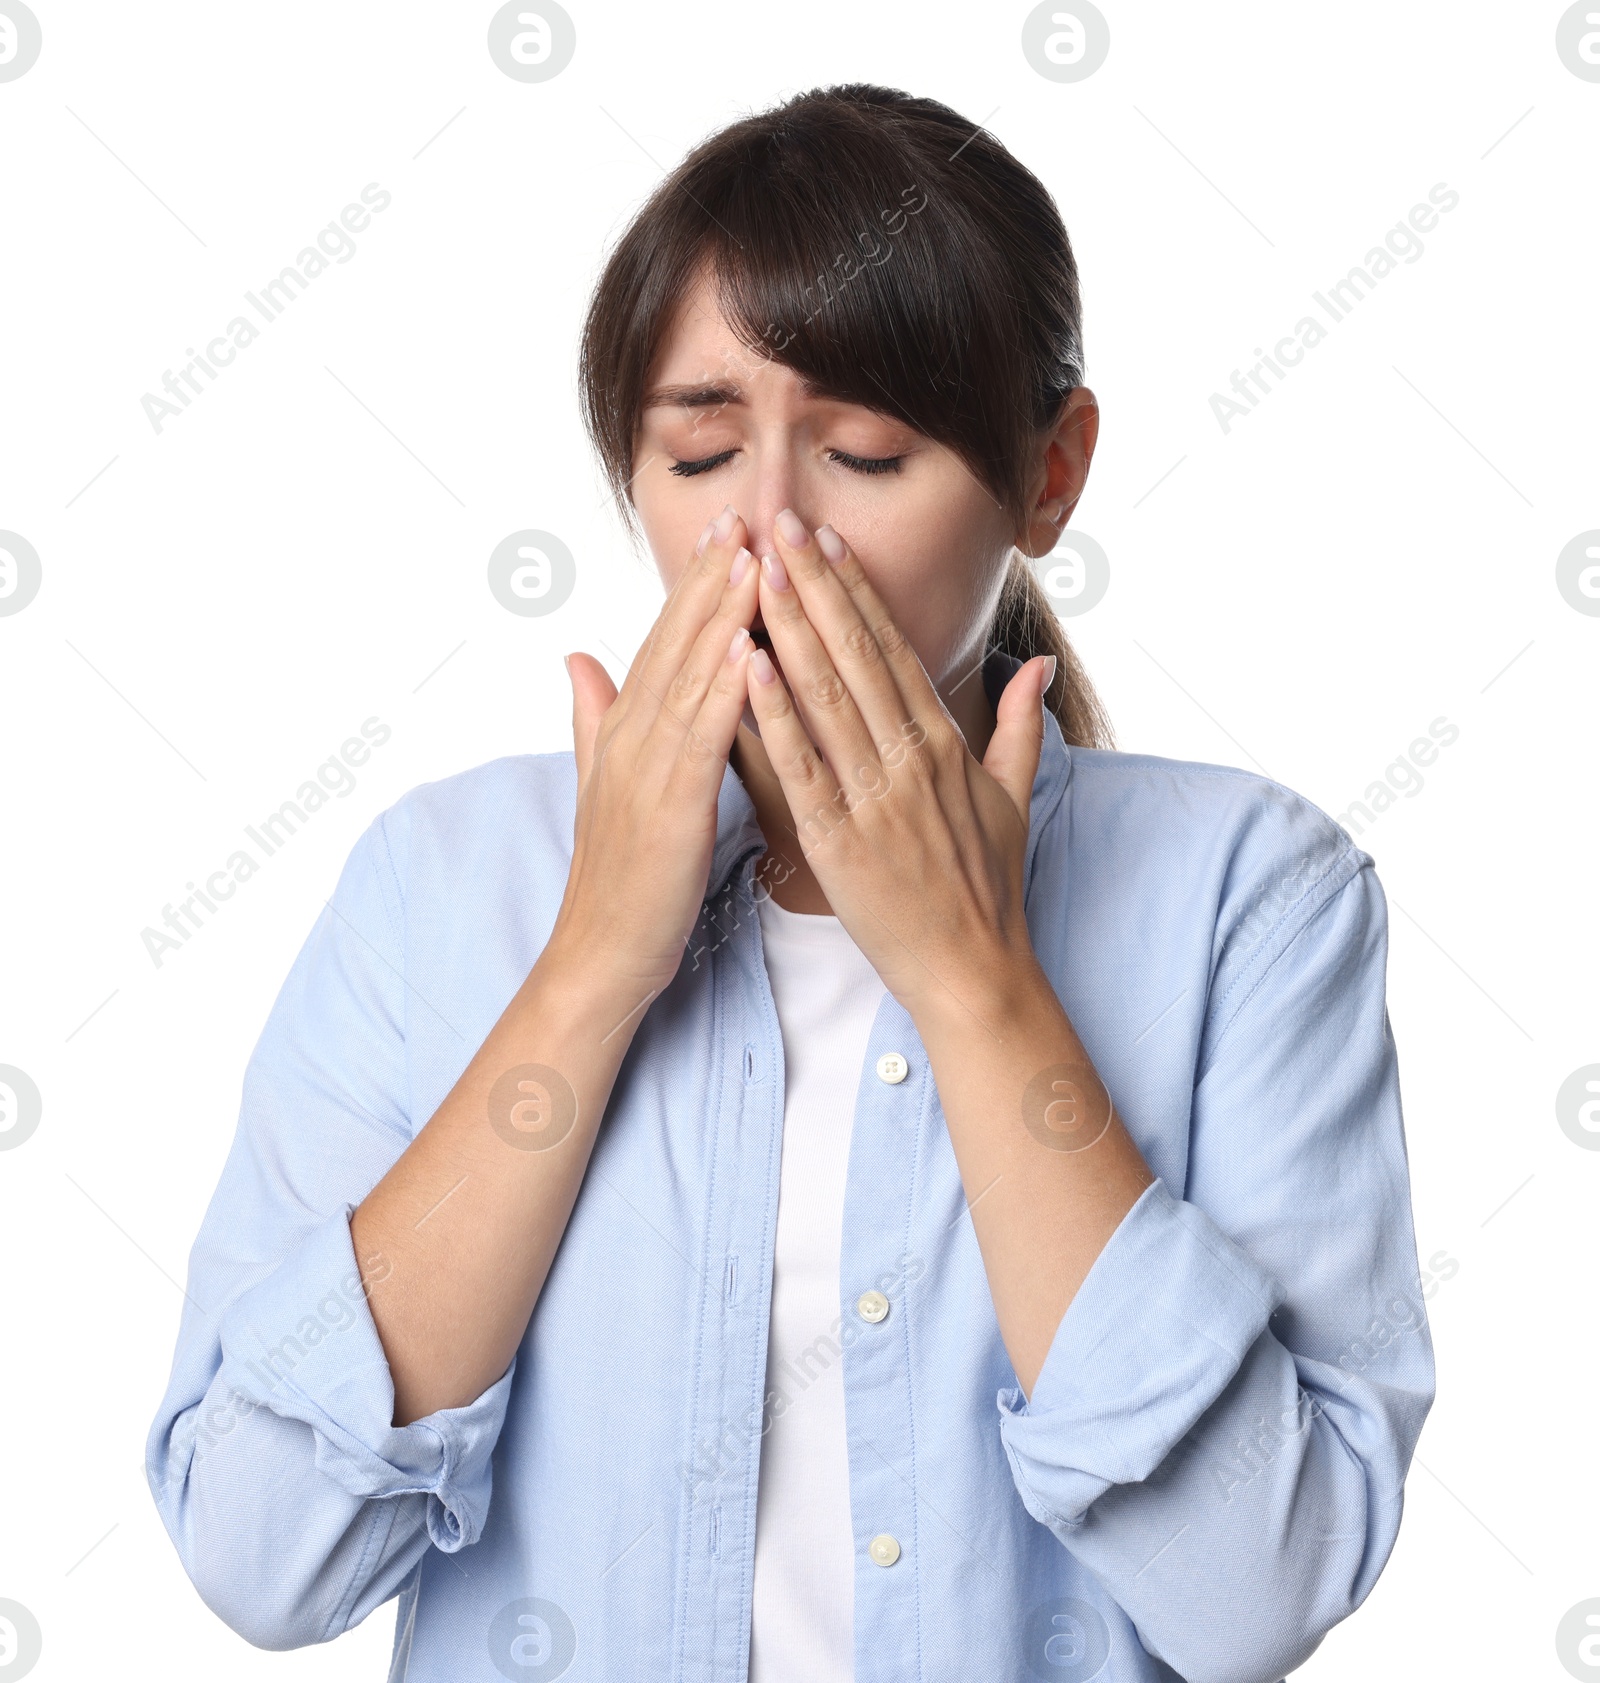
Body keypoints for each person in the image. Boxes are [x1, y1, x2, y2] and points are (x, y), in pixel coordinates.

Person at [146, 84, 1435, 1683]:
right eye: (699, 451)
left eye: (866, 452)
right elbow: (263, 1556)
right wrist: (591, 970)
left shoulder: (1255, 898)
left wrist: (978, 987)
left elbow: (1256, 1592)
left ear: (1050, 474)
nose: (764, 534)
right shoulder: (438, 887)